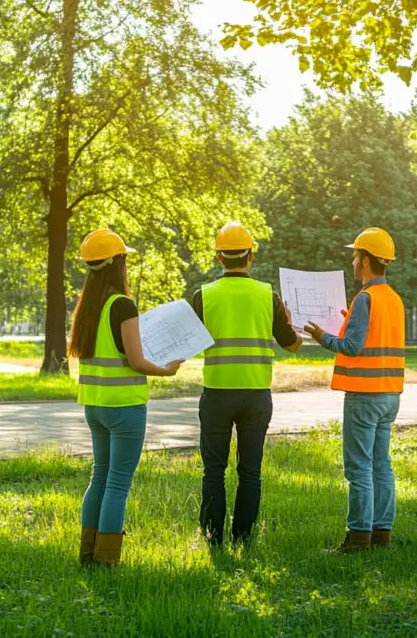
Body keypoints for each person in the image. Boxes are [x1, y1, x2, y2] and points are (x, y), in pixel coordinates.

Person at [68, 229, 182, 567]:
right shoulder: (123, 305)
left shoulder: (88, 306)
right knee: (117, 483)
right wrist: (167, 370)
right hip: (125, 409)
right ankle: (106, 560)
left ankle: (88, 552)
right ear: (118, 262)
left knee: (99, 477)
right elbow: (136, 360)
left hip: (94, 406)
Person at [192, 221, 303, 547]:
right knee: (250, 471)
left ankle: (212, 537)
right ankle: (243, 535)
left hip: (216, 395)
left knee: (213, 471)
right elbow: (293, 345)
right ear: (250, 256)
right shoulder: (267, 295)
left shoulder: (204, 295)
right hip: (256, 396)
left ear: (218, 257)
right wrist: (290, 323)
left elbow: (188, 342)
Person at [303, 228, 405, 553]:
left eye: (354, 255)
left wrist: (321, 336)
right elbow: (375, 336)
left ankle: (358, 536)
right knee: (381, 465)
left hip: (364, 395)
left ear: (364, 260)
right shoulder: (392, 299)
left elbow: (352, 347)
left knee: (359, 467)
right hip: (390, 394)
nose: (352, 260)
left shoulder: (366, 298)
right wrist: (352, 321)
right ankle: (381, 533)